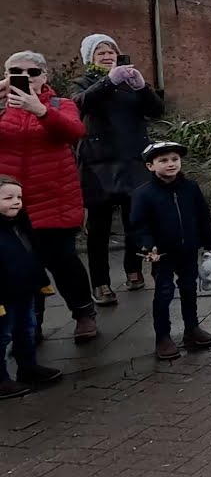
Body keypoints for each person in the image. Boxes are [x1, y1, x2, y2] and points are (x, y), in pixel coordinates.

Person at [0, 51, 98, 343]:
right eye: (16, 72)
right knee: (21, 264)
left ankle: (83, 312)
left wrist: (39, 110)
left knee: (63, 260)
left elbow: (74, 131)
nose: (25, 78)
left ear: (44, 76)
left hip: (54, 196)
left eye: (31, 72)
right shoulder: (2, 106)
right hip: (12, 201)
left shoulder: (59, 104)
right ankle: (32, 323)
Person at [68, 35, 165, 305]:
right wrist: (108, 81)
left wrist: (143, 87)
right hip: (99, 164)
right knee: (99, 228)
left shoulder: (129, 81)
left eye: (111, 52)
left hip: (133, 159)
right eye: (101, 53)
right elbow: (79, 104)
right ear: (90, 58)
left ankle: (134, 269)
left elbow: (157, 110)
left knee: (135, 221)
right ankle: (100, 283)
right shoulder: (84, 82)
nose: (108, 56)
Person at [131, 141, 211, 360]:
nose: (171, 164)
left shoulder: (191, 188)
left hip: (188, 250)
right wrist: (148, 247)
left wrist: (209, 244)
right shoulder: (144, 194)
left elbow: (203, 217)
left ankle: (192, 328)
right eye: (163, 160)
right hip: (162, 254)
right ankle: (163, 337)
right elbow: (139, 225)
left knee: (189, 289)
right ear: (150, 166)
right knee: (163, 293)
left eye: (174, 159)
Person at [0, 176, 63, 399]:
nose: (16, 202)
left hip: (25, 289)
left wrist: (41, 280)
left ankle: (28, 367)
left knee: (26, 329)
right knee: (2, 336)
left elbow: (32, 254)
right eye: (8, 198)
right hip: (3, 296)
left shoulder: (20, 224)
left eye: (19, 197)